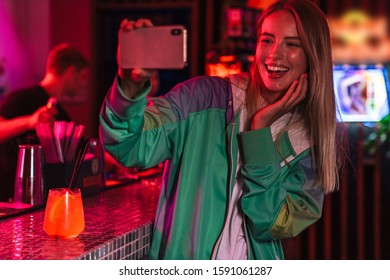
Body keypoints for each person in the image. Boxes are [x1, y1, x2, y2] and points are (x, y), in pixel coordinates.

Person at [99, 0, 344, 259]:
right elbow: (129, 144)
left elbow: (269, 223)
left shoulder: (308, 144)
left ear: (312, 56)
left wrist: (259, 132)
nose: (274, 55)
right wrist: (130, 85)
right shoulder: (205, 99)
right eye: (267, 40)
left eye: (292, 44)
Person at [0, 43, 89, 202]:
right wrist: (30, 121)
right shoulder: (22, 99)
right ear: (71, 72)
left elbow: (83, 151)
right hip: (10, 200)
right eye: (83, 77)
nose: (84, 85)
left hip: (44, 200)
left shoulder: (61, 114)